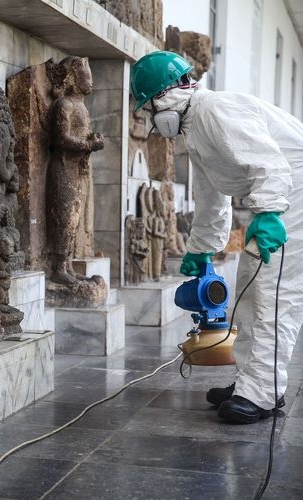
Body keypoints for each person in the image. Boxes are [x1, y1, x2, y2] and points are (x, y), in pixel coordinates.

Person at [130, 50, 303, 424]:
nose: (151, 121)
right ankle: (251, 381)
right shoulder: (196, 130)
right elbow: (213, 198)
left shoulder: (216, 110)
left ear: (165, 99)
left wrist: (271, 211)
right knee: (248, 289)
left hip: (295, 196)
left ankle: (262, 392)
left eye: (148, 110)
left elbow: (269, 164)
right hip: (281, 197)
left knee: (275, 293)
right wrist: (201, 250)